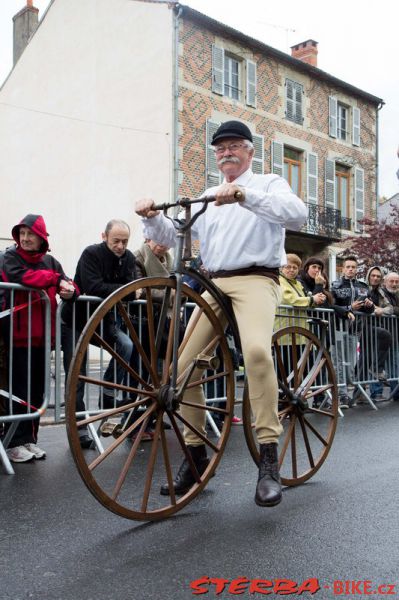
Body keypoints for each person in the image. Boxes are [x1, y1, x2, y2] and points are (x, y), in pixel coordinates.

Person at [135, 119, 307, 507]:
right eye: (220, 148)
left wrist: (245, 195)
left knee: (258, 355)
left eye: (233, 146)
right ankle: (195, 454)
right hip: (214, 283)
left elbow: (297, 215)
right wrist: (149, 215)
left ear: (249, 151)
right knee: (182, 367)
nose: (226, 152)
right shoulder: (209, 194)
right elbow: (172, 234)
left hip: (256, 280)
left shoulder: (267, 183)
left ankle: (267, 456)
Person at [2, 215, 77, 463]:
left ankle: (29, 440)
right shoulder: (9, 258)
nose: (24, 239)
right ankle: (13, 442)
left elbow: (68, 283)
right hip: (16, 337)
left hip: (43, 338)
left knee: (37, 393)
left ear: (41, 237)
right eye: (21, 234)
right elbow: (22, 278)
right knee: (19, 391)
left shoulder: (50, 261)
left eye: (29, 234)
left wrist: (70, 291)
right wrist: (55, 280)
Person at [61, 219, 137, 448]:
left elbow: (132, 289)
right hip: (75, 319)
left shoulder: (129, 258)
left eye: (125, 241)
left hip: (103, 320)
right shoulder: (91, 254)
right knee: (78, 375)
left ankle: (108, 393)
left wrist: (125, 292)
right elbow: (94, 287)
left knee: (126, 346)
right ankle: (80, 431)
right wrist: (124, 291)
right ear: (104, 236)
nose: (121, 246)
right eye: (116, 241)